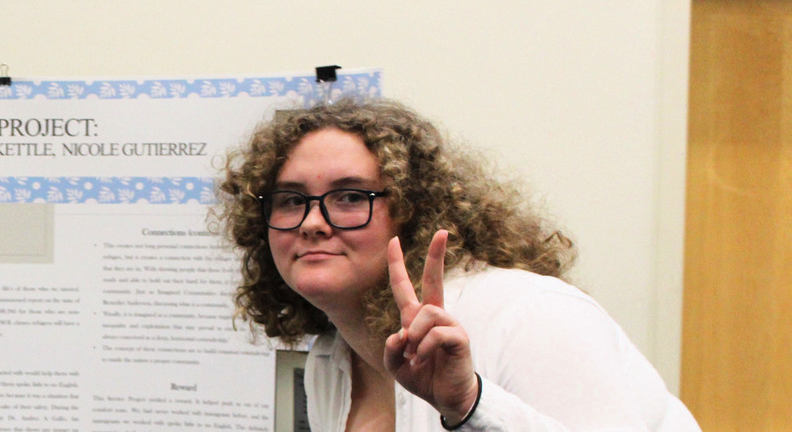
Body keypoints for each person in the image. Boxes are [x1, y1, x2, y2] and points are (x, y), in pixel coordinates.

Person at [216, 98, 699, 430]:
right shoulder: (330, 360)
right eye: (290, 200)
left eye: (348, 196)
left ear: (414, 209)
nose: (312, 224)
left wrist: (470, 404)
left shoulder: (531, 313)